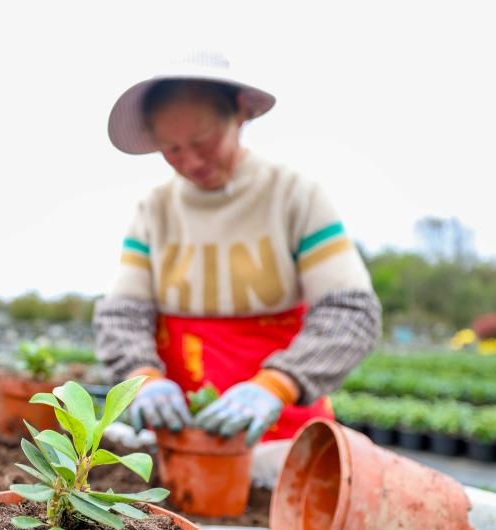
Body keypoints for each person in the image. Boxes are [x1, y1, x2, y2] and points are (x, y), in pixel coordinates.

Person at [94, 52, 382, 445]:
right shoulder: (155, 211)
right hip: (181, 432)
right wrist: (143, 378)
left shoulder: (293, 196)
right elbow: (121, 316)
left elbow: (351, 313)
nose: (191, 161)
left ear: (241, 113)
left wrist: (276, 386)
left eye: (203, 141)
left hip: (281, 431)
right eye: (171, 149)